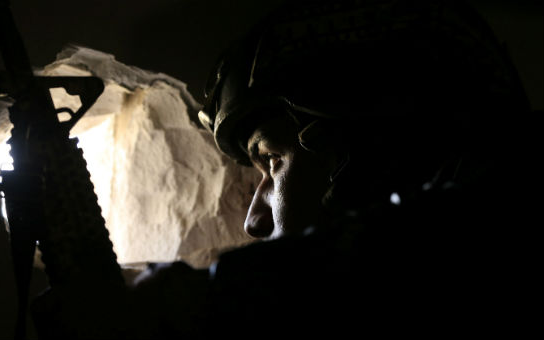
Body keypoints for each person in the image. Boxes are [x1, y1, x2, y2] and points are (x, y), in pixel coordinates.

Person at [31, 0, 537, 338]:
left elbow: (406, 250)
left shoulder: (495, 218)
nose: (254, 219)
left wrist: (161, 307)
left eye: (272, 160)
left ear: (374, 149)